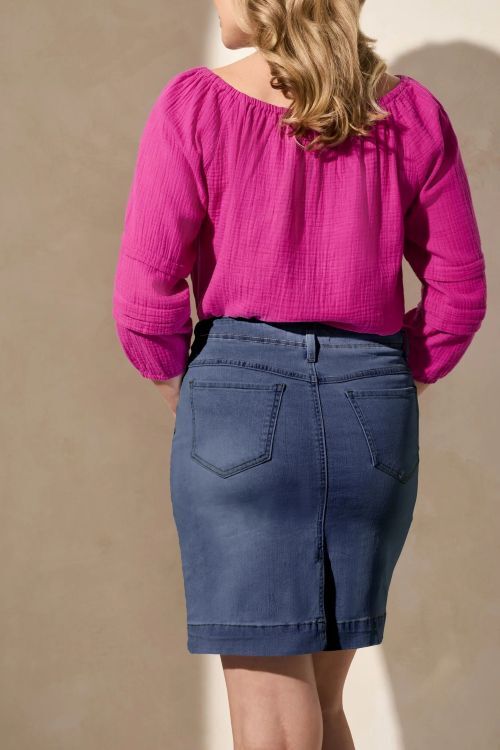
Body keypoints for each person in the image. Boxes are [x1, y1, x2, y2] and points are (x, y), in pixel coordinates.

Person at [111, 1, 487, 747]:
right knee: (324, 703)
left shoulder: (196, 105)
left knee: (274, 719)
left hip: (239, 400)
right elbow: (460, 292)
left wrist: (188, 389)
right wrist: (394, 378)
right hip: (371, 409)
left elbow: (144, 298)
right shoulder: (412, 114)